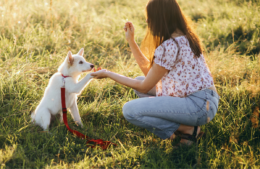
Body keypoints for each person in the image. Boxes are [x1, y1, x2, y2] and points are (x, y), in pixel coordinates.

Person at [91, 0, 219, 146]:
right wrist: (131, 42)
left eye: (149, 17)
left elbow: (144, 87)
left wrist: (108, 74)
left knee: (130, 110)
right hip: (206, 102)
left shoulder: (170, 46)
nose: (147, 21)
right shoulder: (186, 37)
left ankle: (188, 129)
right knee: (138, 81)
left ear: (160, 18)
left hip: (198, 107)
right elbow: (150, 76)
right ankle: (187, 127)